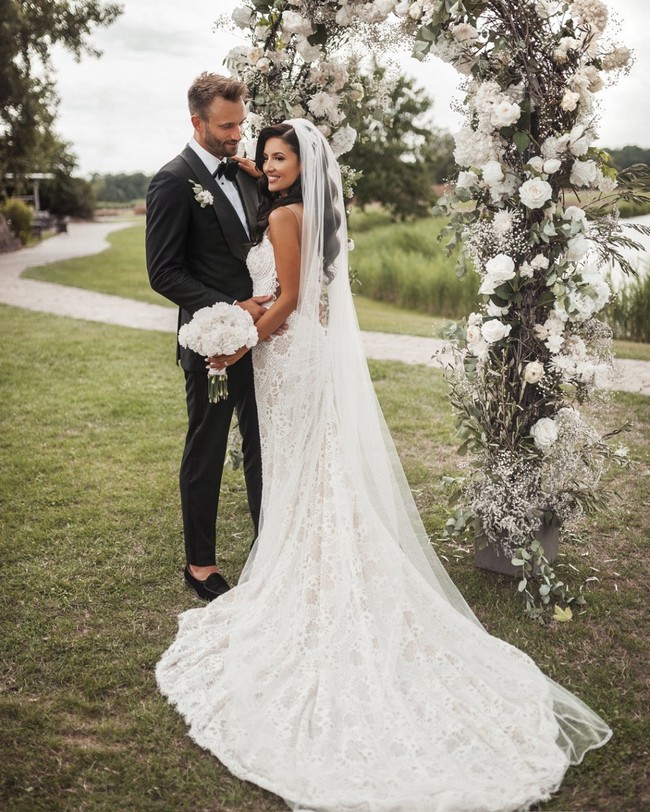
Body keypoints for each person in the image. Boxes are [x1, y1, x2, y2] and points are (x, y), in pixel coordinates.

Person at [156, 119, 611, 811]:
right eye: (263, 157)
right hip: (300, 354)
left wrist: (242, 340)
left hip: (283, 353)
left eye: (280, 158)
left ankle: (306, 580)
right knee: (308, 468)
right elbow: (295, 263)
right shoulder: (308, 207)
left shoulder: (284, 213)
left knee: (299, 468)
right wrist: (260, 173)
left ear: (299, 166)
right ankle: (306, 561)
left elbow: (289, 300)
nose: (267, 165)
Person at [146, 73, 267, 602]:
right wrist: (229, 310)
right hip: (212, 341)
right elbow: (164, 272)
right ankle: (200, 565)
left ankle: (271, 547)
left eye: (240, 123)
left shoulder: (244, 173)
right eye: (226, 125)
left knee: (265, 446)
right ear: (197, 122)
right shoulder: (172, 181)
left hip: (264, 337)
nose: (237, 133)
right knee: (208, 447)